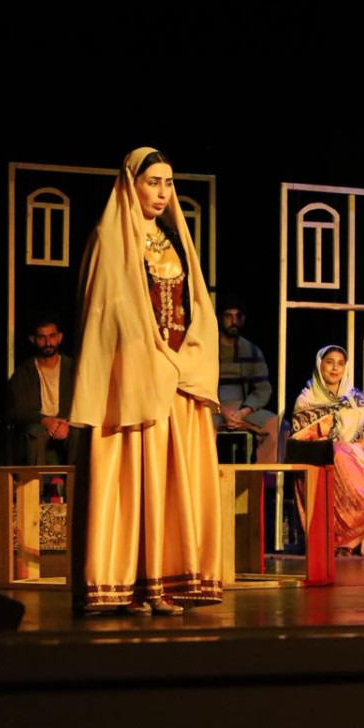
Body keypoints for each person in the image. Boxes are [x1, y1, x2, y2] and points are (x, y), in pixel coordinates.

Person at [69, 147, 222, 615]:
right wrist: (145, 354)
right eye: (153, 182)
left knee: (171, 484)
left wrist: (187, 356)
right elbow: (102, 315)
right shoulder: (110, 239)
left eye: (168, 183)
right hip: (133, 381)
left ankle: (165, 581)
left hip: (176, 379)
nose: (162, 192)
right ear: (130, 183)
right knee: (134, 481)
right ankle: (130, 585)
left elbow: (196, 305)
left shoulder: (174, 241)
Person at [291, 345, 364, 556]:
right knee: (336, 453)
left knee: (342, 456)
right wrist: (331, 446)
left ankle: (358, 528)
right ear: (320, 365)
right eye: (329, 362)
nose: (335, 368)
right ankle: (363, 517)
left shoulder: (356, 398)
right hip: (316, 462)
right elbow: (300, 440)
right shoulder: (306, 399)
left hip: (350, 460)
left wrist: (345, 449)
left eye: (340, 363)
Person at [6, 315, 81, 465]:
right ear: (33, 340)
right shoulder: (24, 372)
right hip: (38, 424)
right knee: (35, 435)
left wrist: (66, 423)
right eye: (42, 338)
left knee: (78, 435)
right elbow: (17, 411)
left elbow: (84, 401)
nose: (48, 343)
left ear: (60, 338)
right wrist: (45, 420)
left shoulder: (74, 369)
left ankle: (75, 481)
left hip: (67, 423)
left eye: (52, 336)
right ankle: (35, 481)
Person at [214, 293, 279, 463]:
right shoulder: (208, 349)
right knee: (197, 427)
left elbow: (263, 388)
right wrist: (222, 410)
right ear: (220, 318)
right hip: (214, 410)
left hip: (243, 410)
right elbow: (199, 387)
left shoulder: (251, 350)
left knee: (277, 426)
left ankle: (262, 478)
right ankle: (204, 478)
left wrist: (244, 411)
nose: (233, 321)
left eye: (238, 316)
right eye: (229, 316)